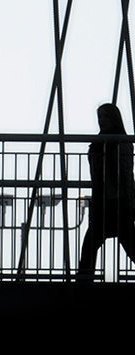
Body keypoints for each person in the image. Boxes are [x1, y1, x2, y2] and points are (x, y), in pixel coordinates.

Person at [76, 102, 135, 282]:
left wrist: (132, 202)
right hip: (105, 201)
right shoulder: (98, 144)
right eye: (100, 117)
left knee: (126, 243)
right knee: (92, 242)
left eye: (105, 116)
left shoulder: (120, 143)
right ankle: (85, 279)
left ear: (113, 118)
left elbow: (126, 175)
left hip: (118, 201)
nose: (102, 120)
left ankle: (84, 280)